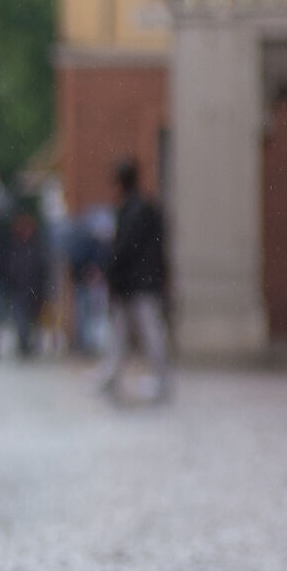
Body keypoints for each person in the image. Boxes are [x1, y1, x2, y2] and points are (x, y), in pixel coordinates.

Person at [97, 157, 169, 400]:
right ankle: (112, 375)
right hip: (137, 282)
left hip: (137, 283)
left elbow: (126, 248)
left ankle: (160, 380)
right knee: (124, 333)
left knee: (147, 331)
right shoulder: (142, 208)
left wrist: (112, 271)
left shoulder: (135, 210)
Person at [0, 203, 48, 359]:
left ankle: (30, 342)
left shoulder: (37, 247)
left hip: (34, 289)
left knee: (33, 319)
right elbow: (9, 267)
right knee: (21, 318)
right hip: (19, 288)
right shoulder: (15, 247)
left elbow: (42, 270)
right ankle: (24, 343)